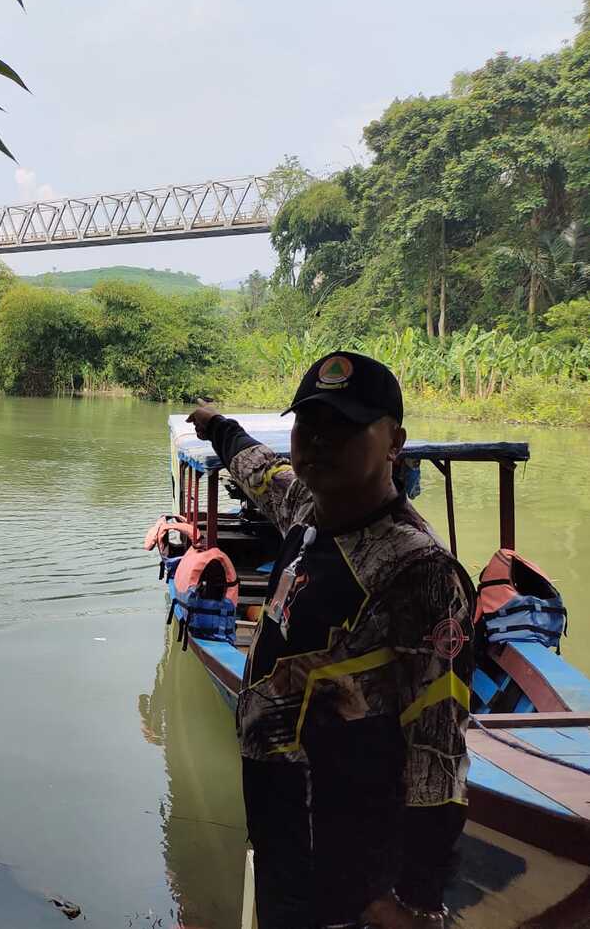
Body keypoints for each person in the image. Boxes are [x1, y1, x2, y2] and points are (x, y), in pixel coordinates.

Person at [186, 351, 474, 929]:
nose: (318, 441)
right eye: (308, 425)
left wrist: (417, 897)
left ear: (394, 441)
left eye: (343, 427)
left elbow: (439, 747)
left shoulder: (419, 570)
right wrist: (215, 425)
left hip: (348, 866)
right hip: (283, 830)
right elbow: (257, 467)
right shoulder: (307, 510)